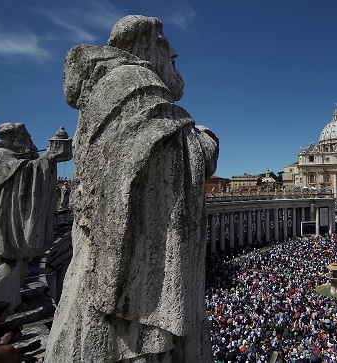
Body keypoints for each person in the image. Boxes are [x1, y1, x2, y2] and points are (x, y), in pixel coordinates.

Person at [45, 15, 218, 363]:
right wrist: (208, 140)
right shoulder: (133, 83)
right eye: (164, 42)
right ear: (144, 45)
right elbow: (175, 157)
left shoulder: (112, 87)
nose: (174, 51)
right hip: (130, 299)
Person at [0, 124, 72, 321]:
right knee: (4, 267)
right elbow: (23, 174)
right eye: (26, 137)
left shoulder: (8, 157)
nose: (30, 143)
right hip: (2, 225)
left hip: (7, 222)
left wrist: (47, 159)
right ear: (16, 137)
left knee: (17, 267)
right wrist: (48, 158)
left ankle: (9, 303)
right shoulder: (0, 156)